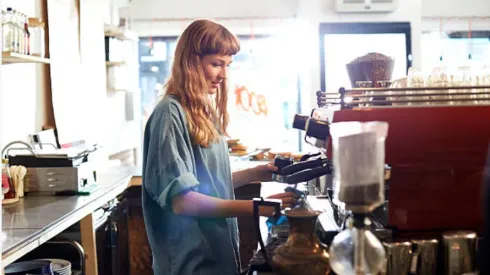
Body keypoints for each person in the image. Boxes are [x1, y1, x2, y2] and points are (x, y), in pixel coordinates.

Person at [141, 19, 299, 275]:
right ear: (190, 62)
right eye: (216, 64)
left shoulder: (201, 112)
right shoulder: (169, 114)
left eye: (227, 65)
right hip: (189, 264)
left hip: (215, 257)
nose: (223, 75)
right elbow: (183, 201)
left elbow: (209, 183)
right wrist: (258, 207)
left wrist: (257, 173)